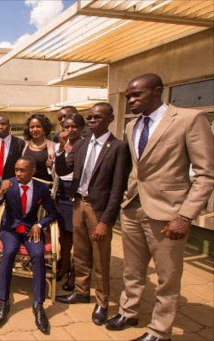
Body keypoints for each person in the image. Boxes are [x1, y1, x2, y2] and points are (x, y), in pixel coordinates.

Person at [105, 74, 214, 341]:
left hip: (169, 214)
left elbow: (206, 174)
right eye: (128, 96)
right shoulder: (133, 128)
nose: (130, 100)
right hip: (132, 209)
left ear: (157, 92)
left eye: (136, 95)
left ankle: (159, 330)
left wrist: (185, 216)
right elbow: (139, 170)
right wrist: (125, 201)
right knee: (132, 269)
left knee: (167, 277)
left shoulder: (190, 120)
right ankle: (128, 312)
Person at [55, 102, 131, 326]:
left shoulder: (118, 147)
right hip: (78, 203)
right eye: (89, 117)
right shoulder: (82, 143)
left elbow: (118, 189)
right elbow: (63, 169)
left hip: (99, 209)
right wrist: (61, 149)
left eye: (97, 117)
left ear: (110, 119)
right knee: (80, 253)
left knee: (100, 258)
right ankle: (80, 291)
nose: (91, 121)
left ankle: (102, 302)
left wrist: (106, 221)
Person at [0, 156, 57, 335]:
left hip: (30, 229)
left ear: (33, 171)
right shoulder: (8, 184)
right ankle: (3, 302)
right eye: (16, 170)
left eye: (22, 170)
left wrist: (40, 224)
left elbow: (52, 213)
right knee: (9, 252)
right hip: (10, 229)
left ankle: (38, 305)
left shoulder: (42, 189)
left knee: (38, 254)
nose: (18, 173)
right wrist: (0, 193)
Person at [53, 113, 86, 292]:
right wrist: (61, 148)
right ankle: (64, 265)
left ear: (81, 128)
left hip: (77, 192)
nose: (69, 130)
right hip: (62, 192)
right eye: (66, 127)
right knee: (64, 235)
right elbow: (59, 170)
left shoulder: (85, 144)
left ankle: (75, 272)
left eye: (73, 127)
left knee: (78, 237)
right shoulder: (61, 144)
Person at [22, 114, 55, 182]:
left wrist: (53, 166)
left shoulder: (54, 146)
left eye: (38, 126)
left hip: (46, 187)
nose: (35, 129)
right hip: (27, 186)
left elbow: (60, 171)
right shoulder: (23, 145)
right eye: (32, 127)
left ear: (44, 128)